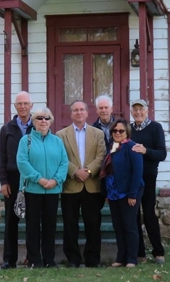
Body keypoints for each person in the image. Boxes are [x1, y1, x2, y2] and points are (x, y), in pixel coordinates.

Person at [16, 107, 69, 269]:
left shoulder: (57, 141)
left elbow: (64, 163)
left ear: (51, 121)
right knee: (32, 226)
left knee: (50, 226)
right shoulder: (26, 141)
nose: (43, 121)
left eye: (46, 118)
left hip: (52, 190)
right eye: (40, 118)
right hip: (33, 190)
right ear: (34, 121)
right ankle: (34, 260)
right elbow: (22, 163)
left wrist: (55, 180)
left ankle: (49, 260)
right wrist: (40, 179)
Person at [56, 100, 106, 268]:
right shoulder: (61, 135)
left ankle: (92, 260)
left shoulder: (98, 134)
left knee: (93, 224)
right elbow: (61, 157)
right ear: (71, 114)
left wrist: (89, 171)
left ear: (87, 113)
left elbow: (101, 156)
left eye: (81, 110)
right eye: (75, 110)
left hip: (91, 186)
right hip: (71, 186)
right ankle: (73, 259)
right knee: (70, 226)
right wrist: (75, 171)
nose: (78, 113)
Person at [0, 91, 34, 269]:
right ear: (15, 106)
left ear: (31, 106)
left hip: (33, 179)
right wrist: (3, 181)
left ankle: (33, 258)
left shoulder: (39, 125)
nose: (23, 107)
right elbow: (0, 157)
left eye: (26, 103)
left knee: (32, 219)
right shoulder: (7, 129)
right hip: (13, 178)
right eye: (20, 104)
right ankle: (9, 259)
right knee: (12, 220)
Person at [100, 118, 144, 268]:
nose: (117, 133)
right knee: (118, 226)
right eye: (114, 130)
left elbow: (137, 172)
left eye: (121, 131)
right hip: (113, 193)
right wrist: (107, 192)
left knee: (129, 226)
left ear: (127, 132)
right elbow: (108, 171)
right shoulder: (112, 147)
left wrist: (132, 194)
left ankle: (131, 259)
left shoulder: (132, 147)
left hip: (128, 193)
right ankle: (121, 257)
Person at [130, 99, 167, 265]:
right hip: (132, 178)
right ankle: (139, 253)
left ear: (147, 110)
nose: (138, 112)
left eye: (141, 109)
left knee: (149, 213)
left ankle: (158, 252)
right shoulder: (128, 129)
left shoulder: (155, 128)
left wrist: (145, 151)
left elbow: (162, 154)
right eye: (135, 109)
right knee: (134, 214)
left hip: (149, 176)